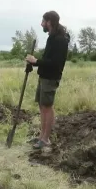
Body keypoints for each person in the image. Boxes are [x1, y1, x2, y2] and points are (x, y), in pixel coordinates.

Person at [25, 11, 70, 149]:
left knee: (47, 107)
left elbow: (55, 63)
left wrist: (36, 61)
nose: (41, 24)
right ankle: (41, 137)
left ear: (49, 21)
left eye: (43, 21)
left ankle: (45, 139)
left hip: (51, 78)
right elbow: (49, 59)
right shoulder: (52, 37)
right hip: (44, 76)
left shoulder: (60, 39)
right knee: (42, 106)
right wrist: (33, 63)